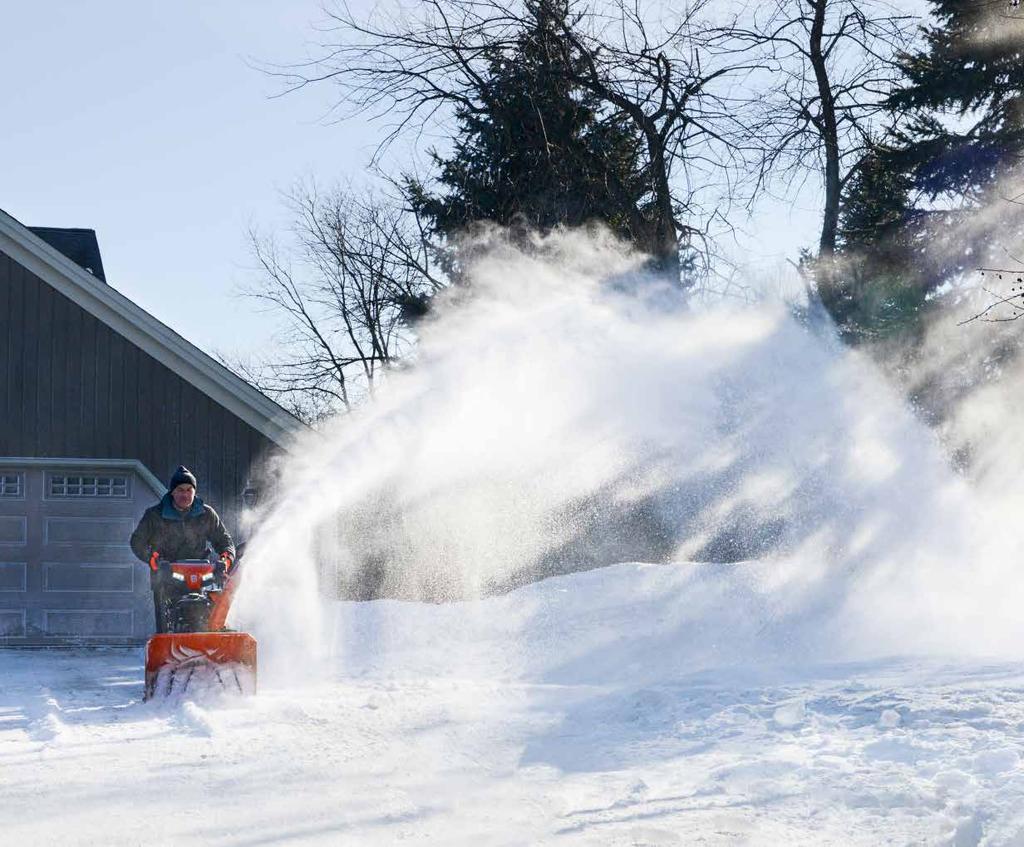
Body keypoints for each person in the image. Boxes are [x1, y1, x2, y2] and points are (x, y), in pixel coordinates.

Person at [130, 465, 236, 633]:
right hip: (167, 575)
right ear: (172, 492)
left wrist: (225, 560)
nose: (185, 495)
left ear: (194, 492)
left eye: (189, 490)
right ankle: (168, 646)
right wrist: (154, 559)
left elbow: (224, 540)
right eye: (180, 490)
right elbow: (137, 542)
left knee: (210, 611)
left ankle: (213, 641)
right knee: (168, 621)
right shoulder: (155, 515)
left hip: (201, 574)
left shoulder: (206, 514)